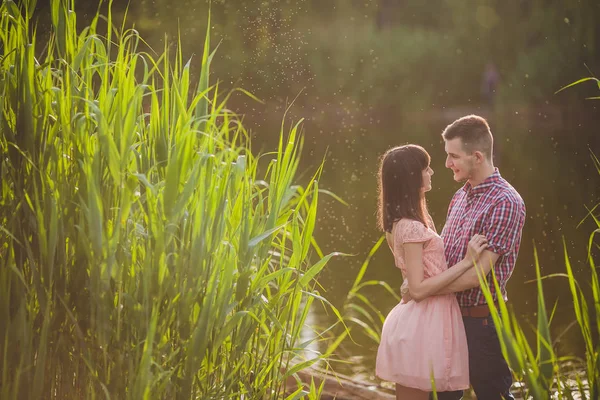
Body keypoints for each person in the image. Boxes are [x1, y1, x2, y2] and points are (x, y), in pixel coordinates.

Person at [404, 115, 526, 399]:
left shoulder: (505, 202)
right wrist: (415, 283)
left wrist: (420, 290)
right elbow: (445, 260)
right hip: (448, 317)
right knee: (443, 396)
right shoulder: (460, 196)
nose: (446, 164)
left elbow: (476, 276)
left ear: (478, 157)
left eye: (453, 156)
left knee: (492, 395)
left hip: (481, 323)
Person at [375, 144, 489, 400]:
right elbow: (417, 289)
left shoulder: (399, 224)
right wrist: (468, 261)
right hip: (425, 322)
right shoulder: (412, 228)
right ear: (411, 176)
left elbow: (414, 280)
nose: (432, 172)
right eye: (426, 168)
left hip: (420, 319)